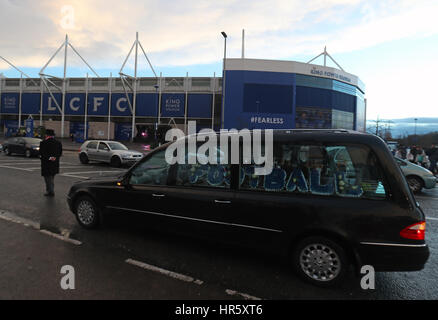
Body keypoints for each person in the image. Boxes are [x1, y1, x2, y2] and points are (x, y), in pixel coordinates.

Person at [39, 129, 63, 197]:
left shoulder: (43, 143)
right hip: (55, 163)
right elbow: (60, 153)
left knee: (47, 178)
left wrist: (49, 158)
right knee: (51, 177)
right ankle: (49, 190)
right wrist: (54, 158)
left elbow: (42, 154)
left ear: (46, 135)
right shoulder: (58, 143)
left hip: (46, 164)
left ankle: (50, 191)